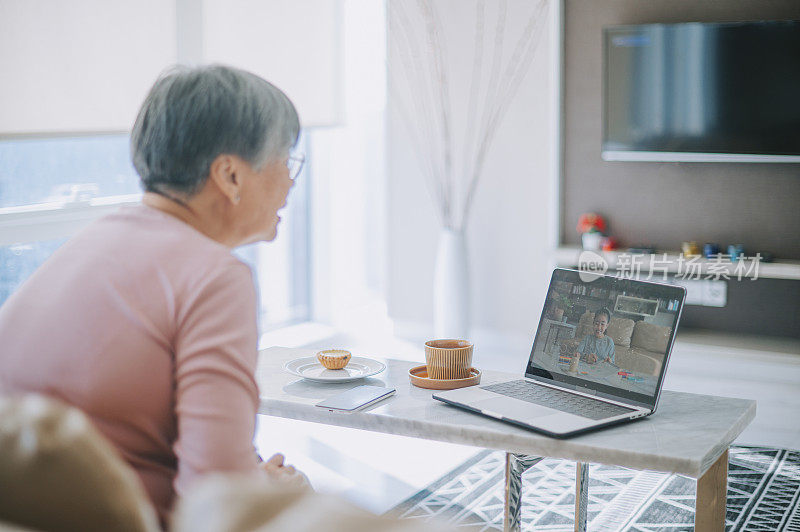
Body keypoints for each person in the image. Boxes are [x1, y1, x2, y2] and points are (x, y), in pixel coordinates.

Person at [0, 65, 308, 525]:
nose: (290, 181)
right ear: (230, 175)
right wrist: (270, 488)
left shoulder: (90, 244)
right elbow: (217, 497)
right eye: (286, 159)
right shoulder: (216, 277)